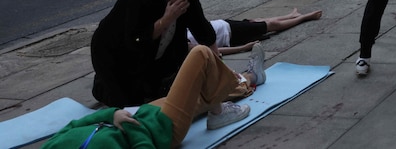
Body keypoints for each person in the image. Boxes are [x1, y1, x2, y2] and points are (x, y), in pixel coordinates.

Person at [44, 45, 263, 148]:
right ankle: (223, 106)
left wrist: (112, 115)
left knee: (200, 93)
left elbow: (73, 126)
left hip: (142, 113)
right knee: (201, 54)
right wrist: (130, 126)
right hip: (162, 127)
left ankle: (249, 77)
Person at [91, 0, 220, 108]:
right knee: (129, 106)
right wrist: (166, 20)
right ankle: (101, 87)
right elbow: (136, 40)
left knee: (158, 93)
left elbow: (202, 28)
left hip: (152, 52)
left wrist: (218, 68)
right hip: (115, 51)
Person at [188, 9, 324, 55]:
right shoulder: (186, 45)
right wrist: (242, 48)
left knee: (258, 21)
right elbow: (213, 50)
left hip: (224, 24)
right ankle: (303, 18)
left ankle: (291, 15)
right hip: (231, 35)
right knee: (270, 25)